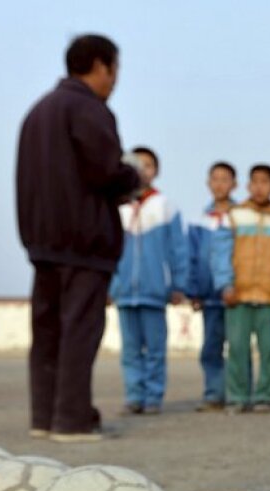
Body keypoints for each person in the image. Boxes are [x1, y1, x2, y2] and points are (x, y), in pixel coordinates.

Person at [16, 33, 141, 443]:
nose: (115, 80)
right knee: (79, 330)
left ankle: (44, 416)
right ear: (100, 65)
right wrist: (134, 177)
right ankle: (71, 420)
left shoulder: (38, 112)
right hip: (85, 242)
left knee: (48, 329)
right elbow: (105, 170)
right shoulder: (89, 109)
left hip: (42, 242)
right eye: (114, 70)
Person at [109, 146, 189, 416]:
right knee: (130, 351)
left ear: (156, 171)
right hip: (124, 292)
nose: (142, 170)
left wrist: (179, 284)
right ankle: (134, 396)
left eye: (148, 165)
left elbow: (179, 248)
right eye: (136, 164)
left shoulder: (165, 206)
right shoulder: (117, 206)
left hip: (155, 291)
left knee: (155, 349)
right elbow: (108, 249)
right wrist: (110, 286)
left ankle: (154, 396)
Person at [214, 164, 270, 413]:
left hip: (269, 294)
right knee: (236, 348)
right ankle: (237, 395)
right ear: (247, 186)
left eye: (265, 182)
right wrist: (226, 284)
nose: (259, 187)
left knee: (267, 349)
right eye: (255, 182)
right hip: (239, 294)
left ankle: (264, 395)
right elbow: (221, 254)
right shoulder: (235, 216)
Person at [189, 161, 237, 411]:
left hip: (236, 294)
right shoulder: (200, 220)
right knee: (211, 348)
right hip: (209, 295)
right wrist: (194, 290)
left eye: (225, 179)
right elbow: (193, 255)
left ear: (234, 184)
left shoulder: (240, 216)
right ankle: (214, 394)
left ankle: (238, 393)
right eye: (215, 179)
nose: (219, 184)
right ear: (208, 184)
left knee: (237, 347)